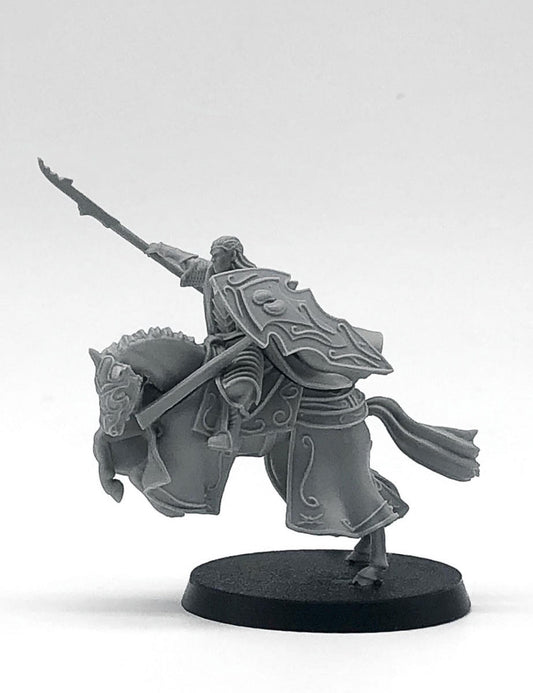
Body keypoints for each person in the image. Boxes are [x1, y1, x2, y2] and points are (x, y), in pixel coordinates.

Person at [145, 236, 262, 453]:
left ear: (233, 255)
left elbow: (266, 316)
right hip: (216, 345)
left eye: (217, 255)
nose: (213, 259)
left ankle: (231, 434)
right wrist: (162, 249)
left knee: (240, 385)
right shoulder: (210, 274)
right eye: (212, 255)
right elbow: (188, 261)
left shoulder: (251, 281)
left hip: (244, 345)